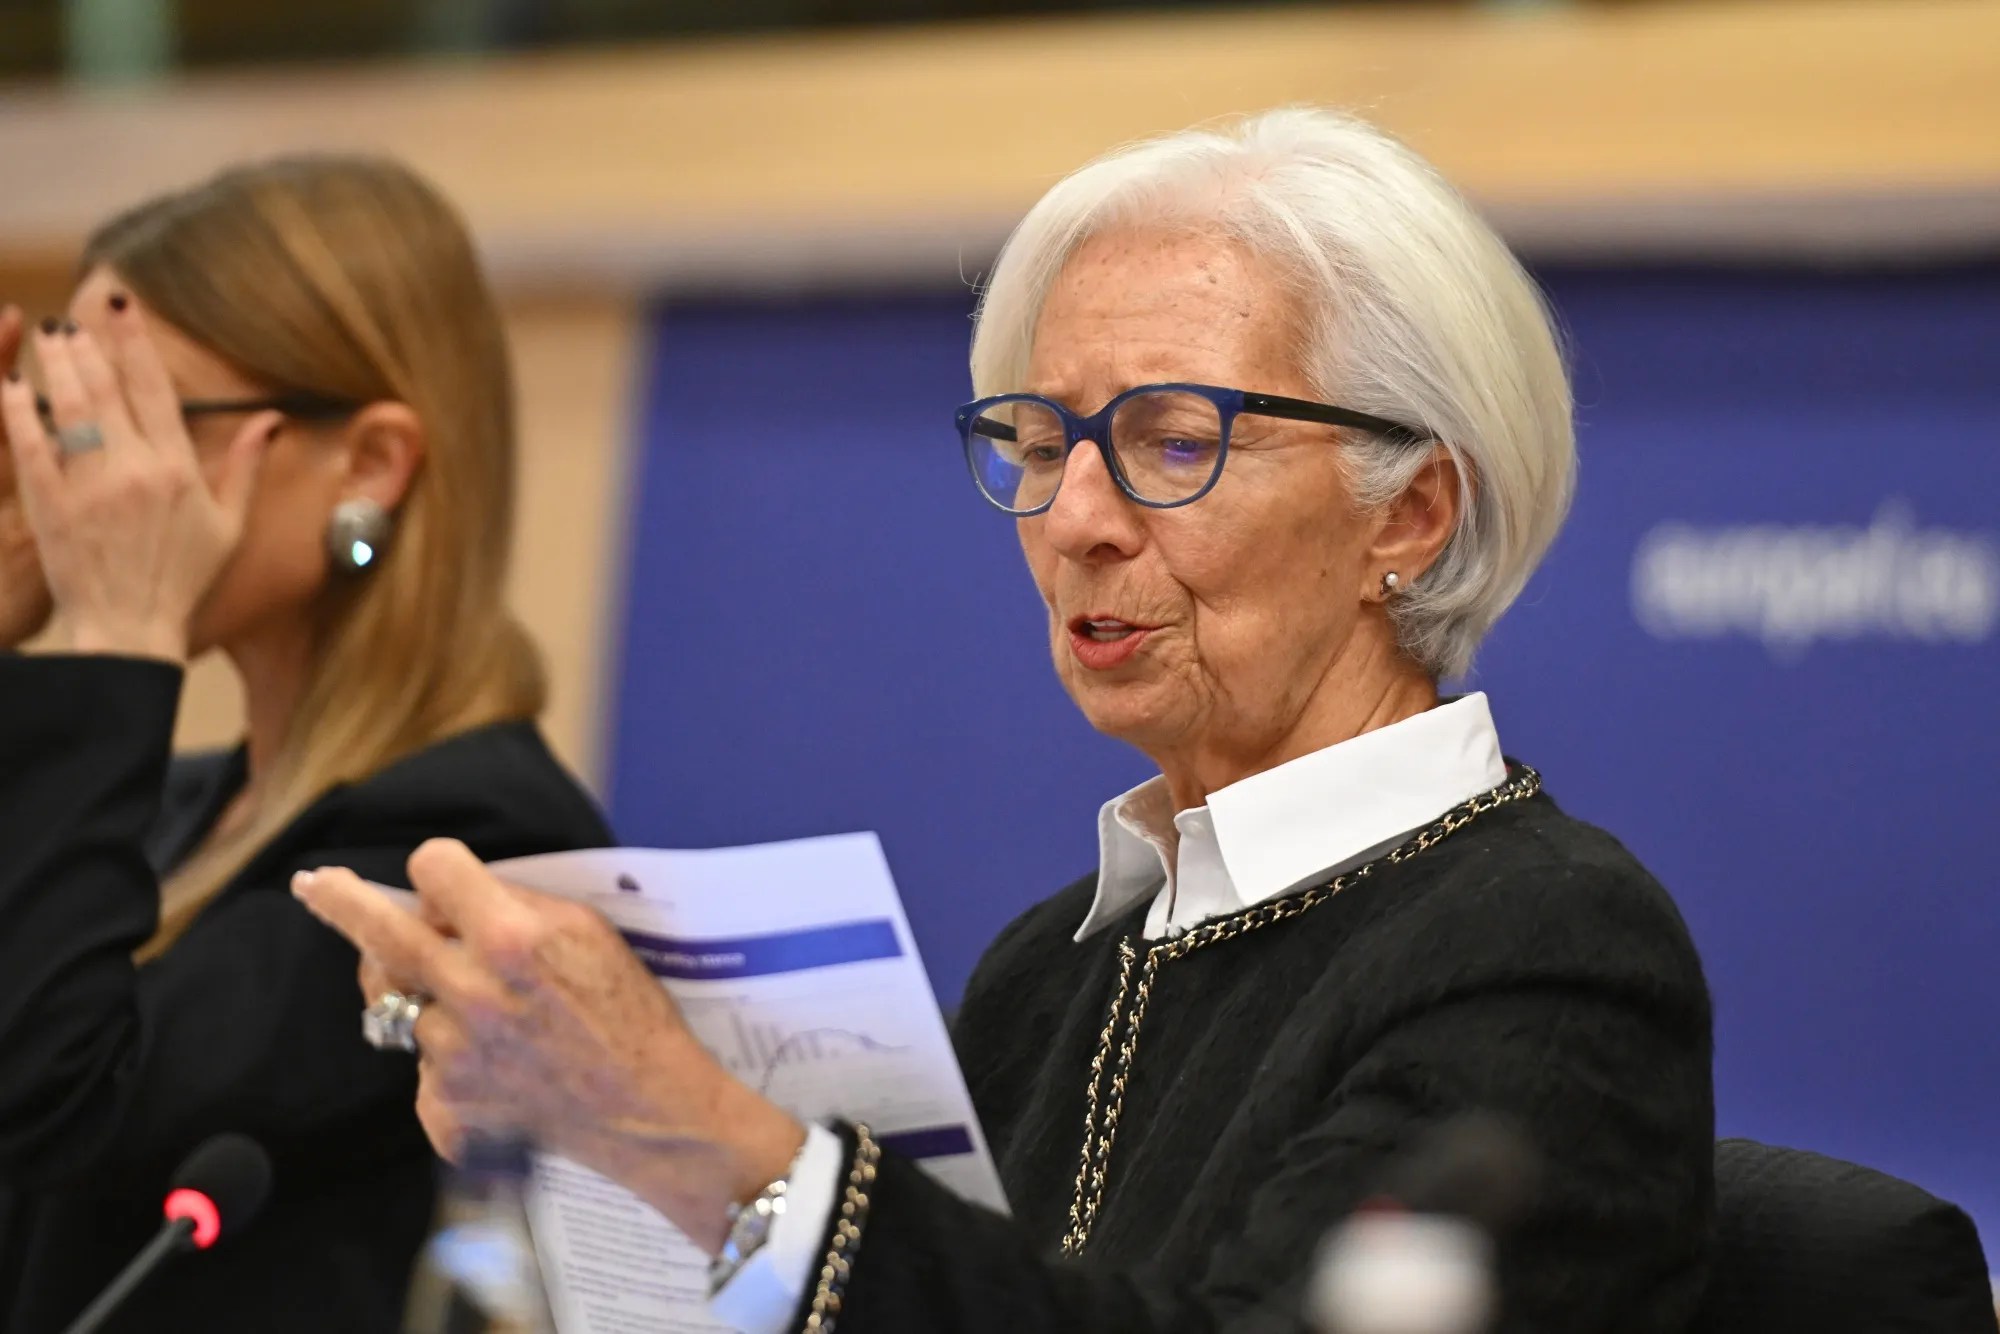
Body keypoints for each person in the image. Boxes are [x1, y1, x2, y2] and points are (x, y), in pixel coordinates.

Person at [297, 110, 1715, 1333]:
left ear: (1407, 509)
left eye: (1173, 440)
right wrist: (591, 1155)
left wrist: (716, 1143)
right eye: (1041, 444)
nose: (1076, 520)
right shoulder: (1053, 967)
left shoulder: (1549, 947)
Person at [0, 158, 611, 1333]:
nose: (77, 473)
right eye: (65, 415)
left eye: (132, 418)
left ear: (369, 465)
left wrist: (119, 638)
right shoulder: (171, 808)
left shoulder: (470, 850)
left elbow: (61, 1111)